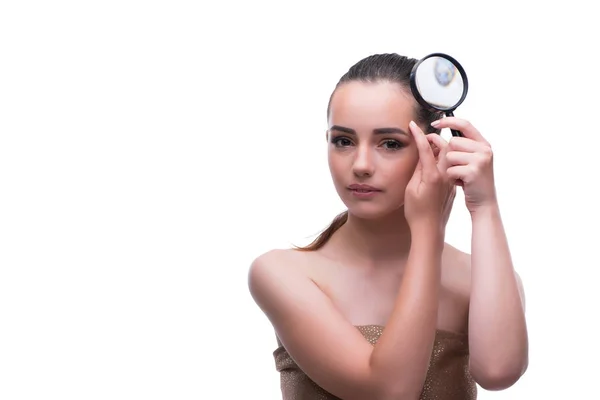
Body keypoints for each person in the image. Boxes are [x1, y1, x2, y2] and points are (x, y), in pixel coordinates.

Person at [247, 53, 528, 400]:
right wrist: (428, 231)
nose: (361, 165)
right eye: (343, 141)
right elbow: (388, 391)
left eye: (390, 143)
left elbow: (499, 371)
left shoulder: (478, 276)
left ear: (435, 148)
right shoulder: (281, 273)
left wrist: (484, 207)